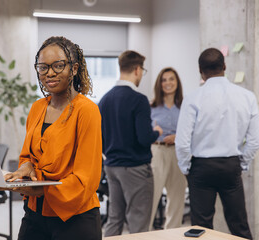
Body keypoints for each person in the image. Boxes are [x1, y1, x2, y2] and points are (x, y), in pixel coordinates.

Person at [0, 36, 103, 240]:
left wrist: (41, 190)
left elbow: (86, 178)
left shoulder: (87, 111)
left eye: (58, 66)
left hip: (75, 217)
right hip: (35, 213)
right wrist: (26, 168)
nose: (49, 73)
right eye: (43, 67)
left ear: (74, 68)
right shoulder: (37, 108)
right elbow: (28, 156)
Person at [175, 48, 259, 239]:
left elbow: (182, 142)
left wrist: (186, 167)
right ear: (224, 66)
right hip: (231, 165)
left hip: (201, 167)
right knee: (239, 225)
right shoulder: (247, 96)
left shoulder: (193, 98)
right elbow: (254, 140)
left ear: (200, 70)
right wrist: (242, 163)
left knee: (200, 229)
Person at [99, 50, 163, 236]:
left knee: (114, 218)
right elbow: (144, 138)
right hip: (135, 169)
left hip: (111, 167)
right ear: (137, 69)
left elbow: (100, 139)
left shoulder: (104, 100)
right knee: (138, 222)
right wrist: (156, 132)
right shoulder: (139, 100)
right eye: (142, 70)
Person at [149, 67, 187, 230]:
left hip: (178, 153)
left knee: (177, 200)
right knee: (152, 197)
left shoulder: (185, 106)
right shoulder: (151, 106)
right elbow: (144, 132)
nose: (168, 83)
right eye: (164, 80)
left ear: (177, 83)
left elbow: (191, 130)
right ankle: (146, 233)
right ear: (160, 84)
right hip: (156, 152)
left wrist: (177, 137)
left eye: (171, 79)